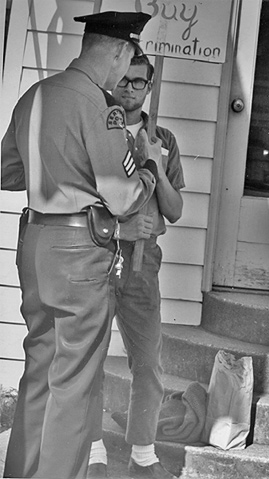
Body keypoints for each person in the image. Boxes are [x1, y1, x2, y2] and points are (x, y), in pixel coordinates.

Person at [0, 11, 161, 479]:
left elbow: (7, 172)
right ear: (118, 51)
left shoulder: (37, 94)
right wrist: (148, 174)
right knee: (73, 385)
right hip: (80, 252)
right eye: (127, 58)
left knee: (38, 374)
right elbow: (124, 197)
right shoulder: (101, 107)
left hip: (35, 242)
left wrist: (56, 168)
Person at [87, 54, 185, 479]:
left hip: (142, 264)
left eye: (138, 83)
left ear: (149, 88)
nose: (129, 89)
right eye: (123, 81)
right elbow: (81, 195)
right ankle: (92, 449)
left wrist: (158, 168)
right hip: (95, 255)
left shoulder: (161, 136)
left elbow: (176, 210)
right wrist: (122, 225)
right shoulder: (96, 126)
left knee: (147, 360)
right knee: (88, 355)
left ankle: (143, 453)